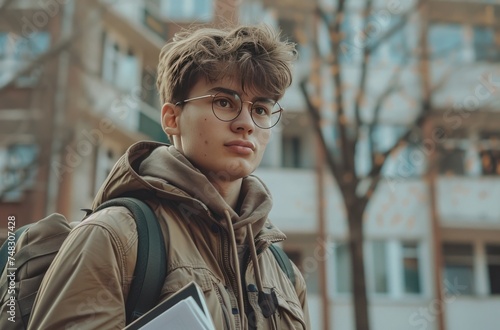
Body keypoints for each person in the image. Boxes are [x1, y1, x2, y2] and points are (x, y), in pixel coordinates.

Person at [28, 24, 310, 329]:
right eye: (224, 102)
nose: (247, 124)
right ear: (171, 118)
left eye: (261, 109)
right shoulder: (115, 238)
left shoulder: (286, 274)